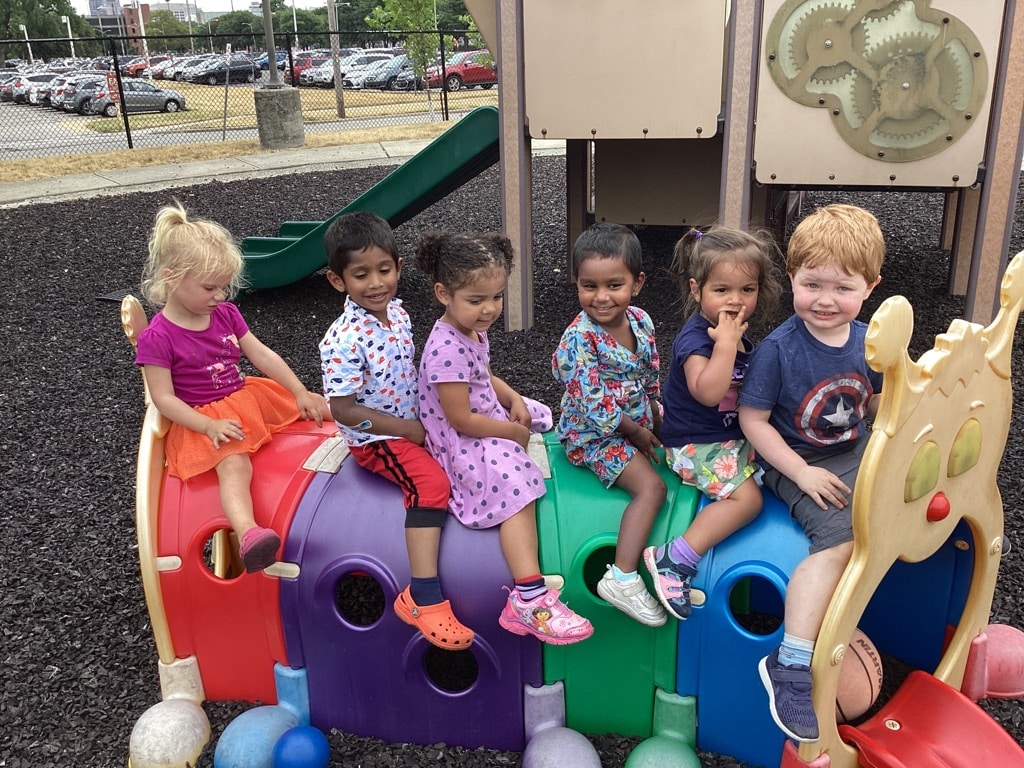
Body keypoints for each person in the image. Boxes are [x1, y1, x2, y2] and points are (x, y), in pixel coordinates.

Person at [737, 204, 884, 743]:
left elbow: (879, 403)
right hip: (796, 461)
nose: (824, 300)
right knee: (840, 541)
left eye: (841, 288)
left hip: (851, 449)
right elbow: (753, 422)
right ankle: (792, 662)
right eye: (811, 283)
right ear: (792, 278)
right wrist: (800, 473)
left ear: (870, 287)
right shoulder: (779, 350)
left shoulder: (869, 341)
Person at [415, 229, 593, 645]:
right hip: (459, 438)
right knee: (517, 481)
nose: (489, 309)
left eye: (496, 297)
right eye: (476, 300)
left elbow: (482, 374)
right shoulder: (444, 346)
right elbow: (460, 419)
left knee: (538, 414)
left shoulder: (470, 330)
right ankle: (528, 596)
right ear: (443, 293)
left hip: (481, 413)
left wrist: (511, 396)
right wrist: (512, 432)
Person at [135, 202, 328, 573]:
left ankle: (383, 428)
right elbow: (163, 398)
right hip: (201, 419)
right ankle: (249, 532)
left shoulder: (224, 314)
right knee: (234, 463)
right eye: (210, 288)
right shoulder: (158, 338)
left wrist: (300, 390)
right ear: (172, 278)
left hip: (245, 396)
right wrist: (206, 426)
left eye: (225, 287)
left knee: (315, 407)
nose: (221, 296)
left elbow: (262, 356)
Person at [319, 211, 474, 651]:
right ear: (337, 281)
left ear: (399, 267)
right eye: (360, 274)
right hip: (378, 440)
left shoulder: (398, 315)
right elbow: (343, 410)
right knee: (430, 485)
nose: (376, 283)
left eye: (384, 270)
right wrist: (405, 430)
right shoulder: (344, 339)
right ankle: (422, 595)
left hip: (412, 421)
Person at [643, 226, 784, 621]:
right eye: (722, 290)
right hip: (693, 443)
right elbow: (707, 392)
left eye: (747, 290)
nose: (735, 301)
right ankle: (676, 556)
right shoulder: (697, 340)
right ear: (696, 289)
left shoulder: (736, 333)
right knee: (749, 500)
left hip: (729, 436)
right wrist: (724, 344)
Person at [551, 222, 667, 628]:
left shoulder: (640, 320)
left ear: (637, 283)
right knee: (652, 487)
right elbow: (593, 402)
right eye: (589, 286)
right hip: (593, 435)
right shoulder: (578, 340)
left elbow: (650, 367)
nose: (601, 297)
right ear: (576, 283)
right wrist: (637, 432)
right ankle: (623, 576)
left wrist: (654, 409)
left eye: (614, 285)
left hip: (635, 416)